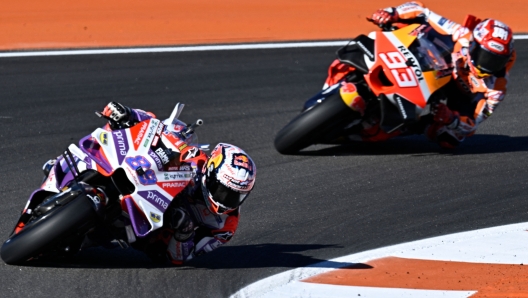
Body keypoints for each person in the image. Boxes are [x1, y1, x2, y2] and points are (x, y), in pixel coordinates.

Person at [45, 102, 257, 265]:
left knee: (92, 242)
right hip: (144, 182)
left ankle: (77, 233)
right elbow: (157, 126)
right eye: (223, 190)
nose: (226, 200)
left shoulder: (225, 226)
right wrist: (129, 114)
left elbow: (183, 258)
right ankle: (78, 163)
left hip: (152, 234)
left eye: (236, 195)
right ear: (211, 173)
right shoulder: (198, 160)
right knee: (126, 127)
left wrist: (184, 232)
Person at [369, 1, 516, 148]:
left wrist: (451, 119)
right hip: (432, 64)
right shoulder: (461, 34)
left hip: (458, 95)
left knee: (450, 138)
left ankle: (412, 126)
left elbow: (473, 123)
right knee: (403, 25)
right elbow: (420, 10)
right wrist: (392, 13)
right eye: (486, 57)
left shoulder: (497, 89)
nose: (487, 66)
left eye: (496, 62)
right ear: (474, 44)